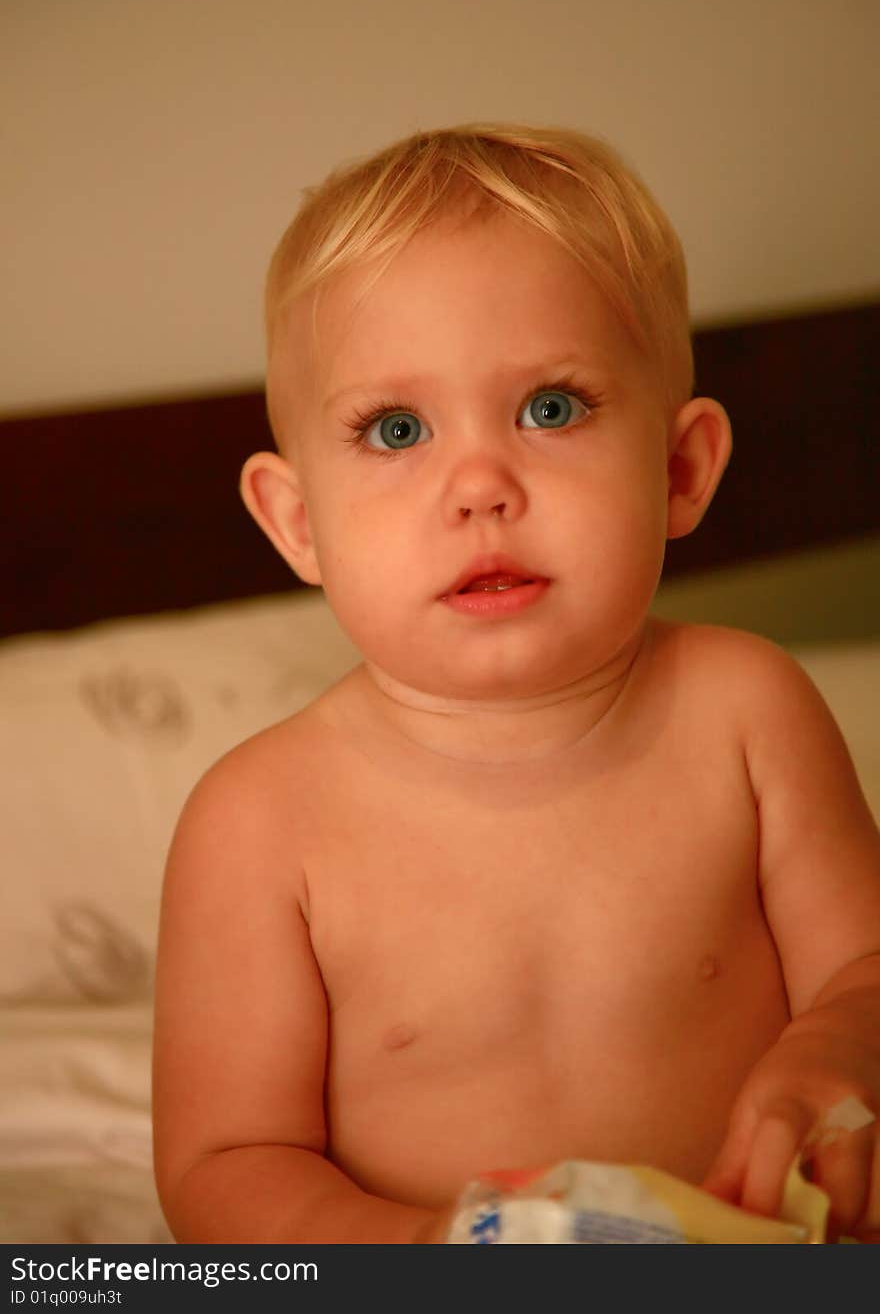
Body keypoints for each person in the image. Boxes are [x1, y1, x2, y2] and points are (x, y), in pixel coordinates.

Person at [152, 123, 880, 1243]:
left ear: (680, 470)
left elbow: (864, 969)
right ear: (297, 522)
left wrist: (836, 1048)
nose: (481, 484)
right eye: (396, 429)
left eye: (550, 408)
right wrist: (424, 1255)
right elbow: (225, 1166)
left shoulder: (749, 712)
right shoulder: (257, 824)